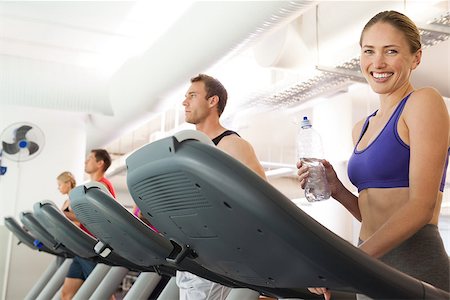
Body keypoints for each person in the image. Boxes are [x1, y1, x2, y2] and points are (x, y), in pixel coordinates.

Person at [297, 10, 450, 300]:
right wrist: (337, 189)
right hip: (371, 263)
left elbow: (421, 207)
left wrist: (347, 264)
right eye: (369, 51)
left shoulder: (423, 102)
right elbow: (373, 216)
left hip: (415, 265)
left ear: (416, 58)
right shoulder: (362, 128)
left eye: (391, 51)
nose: (377, 63)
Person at [177, 73, 267, 300]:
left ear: (212, 101)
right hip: (192, 251)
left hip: (220, 255)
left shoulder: (232, 145)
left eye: (192, 95)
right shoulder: (188, 149)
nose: (184, 102)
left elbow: (265, 200)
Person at [61, 149, 116, 300]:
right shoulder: (89, 187)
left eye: (90, 158)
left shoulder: (102, 186)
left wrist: (64, 214)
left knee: (104, 294)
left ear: (100, 163)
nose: (85, 161)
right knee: (66, 294)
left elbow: (101, 216)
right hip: (83, 247)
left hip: (95, 249)